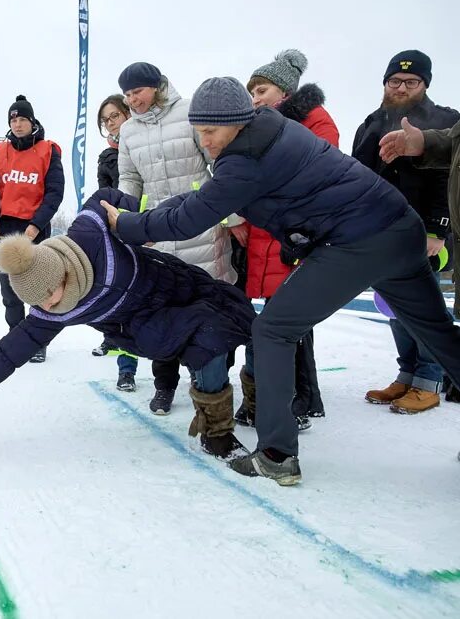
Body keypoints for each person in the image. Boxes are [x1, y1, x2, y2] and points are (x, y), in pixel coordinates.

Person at [108, 76, 460, 485]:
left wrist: (129, 225)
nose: (205, 141)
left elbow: (191, 215)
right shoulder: (274, 129)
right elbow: (217, 194)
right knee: (438, 334)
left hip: (360, 240)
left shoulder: (244, 160)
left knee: (272, 330)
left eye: (210, 131)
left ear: (238, 120)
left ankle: (276, 453)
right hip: (401, 229)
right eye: (198, 132)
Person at [0, 188, 255, 460]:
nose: (47, 305)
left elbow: (107, 197)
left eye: (48, 294)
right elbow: (13, 349)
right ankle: (217, 432)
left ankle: (259, 400)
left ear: (59, 272)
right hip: (147, 324)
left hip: (176, 283)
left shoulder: (89, 233)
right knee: (207, 342)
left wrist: (136, 225)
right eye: (36, 303)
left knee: (241, 319)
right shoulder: (52, 313)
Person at [117, 62, 240, 415]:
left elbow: (217, 164)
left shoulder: (189, 113)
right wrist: (127, 220)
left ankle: (211, 384)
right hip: (157, 232)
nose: (133, 100)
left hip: (202, 225)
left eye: (137, 92)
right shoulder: (128, 131)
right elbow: (129, 178)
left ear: (156, 86)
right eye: (127, 95)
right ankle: (164, 386)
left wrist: (231, 218)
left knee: (212, 306)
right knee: (162, 311)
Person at [352, 50, 459, 415]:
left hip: (426, 235)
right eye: (394, 80)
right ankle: (408, 373)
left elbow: (449, 179)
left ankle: (429, 379)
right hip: (382, 234)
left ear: (425, 84)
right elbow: (357, 177)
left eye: (411, 82)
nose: (401, 87)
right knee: (394, 306)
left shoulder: (445, 121)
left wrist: (436, 230)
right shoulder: (370, 122)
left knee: (424, 306)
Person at [239, 49, 337, 430]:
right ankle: (274, 398)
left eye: (261, 89)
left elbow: (317, 176)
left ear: (284, 90)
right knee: (274, 323)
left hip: (295, 234)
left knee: (288, 323)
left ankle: (295, 402)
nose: (255, 98)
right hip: (263, 235)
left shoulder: (315, 122)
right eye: (251, 92)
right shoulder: (260, 125)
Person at [0, 95, 65, 363]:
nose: (17, 124)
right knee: (9, 288)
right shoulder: (0, 153)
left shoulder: (48, 150)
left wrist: (35, 225)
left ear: (32, 122)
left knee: (39, 287)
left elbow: (54, 193)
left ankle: (38, 340)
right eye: (13, 119)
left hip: (35, 227)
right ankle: (16, 336)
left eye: (22, 119)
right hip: (6, 226)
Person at [92, 95, 139, 391]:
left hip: (154, 228)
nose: (111, 124)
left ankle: (168, 378)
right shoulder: (106, 157)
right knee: (126, 302)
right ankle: (126, 369)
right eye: (105, 120)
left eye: (115, 116)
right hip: (123, 233)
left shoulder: (145, 146)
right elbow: (104, 196)